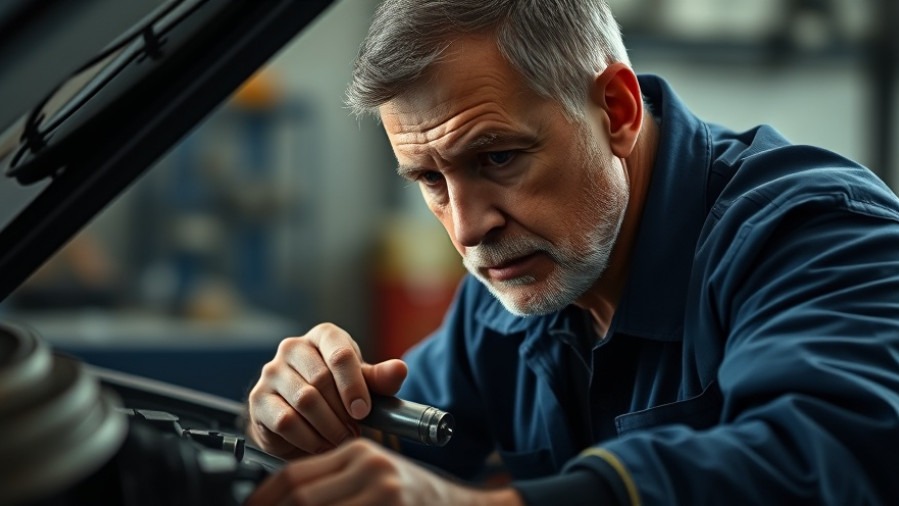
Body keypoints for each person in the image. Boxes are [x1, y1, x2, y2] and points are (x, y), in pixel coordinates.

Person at [245, 0, 899, 504]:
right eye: (429, 180)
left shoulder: (815, 233)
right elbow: (409, 444)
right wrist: (320, 418)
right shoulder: (510, 285)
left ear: (615, 110)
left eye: (497, 157)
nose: (467, 228)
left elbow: (828, 461)